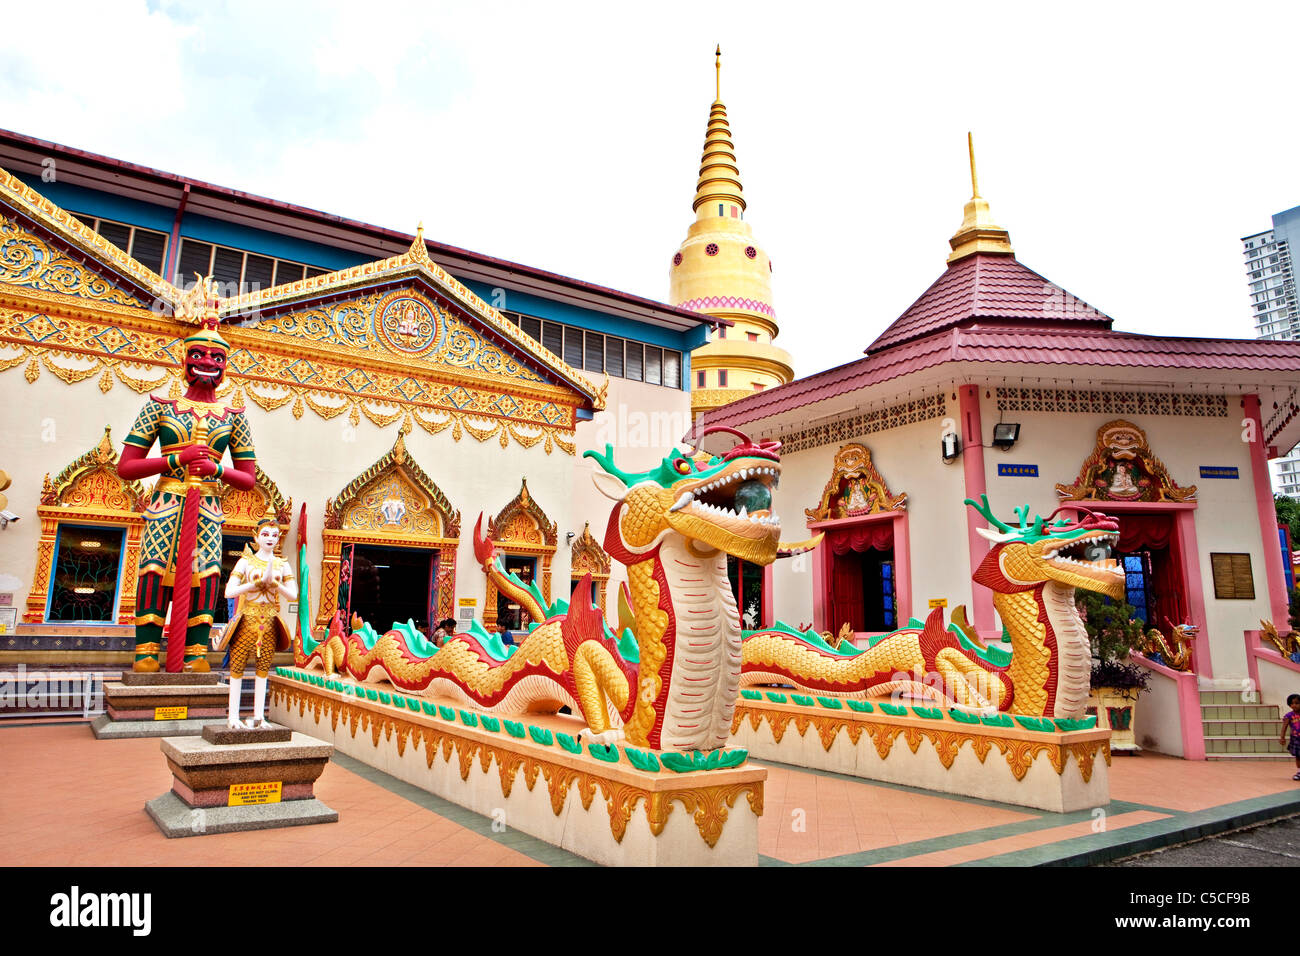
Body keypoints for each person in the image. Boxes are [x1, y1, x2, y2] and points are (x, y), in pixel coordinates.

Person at [217, 517, 295, 728]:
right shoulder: (245, 561)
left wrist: (275, 584)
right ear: (256, 537)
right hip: (247, 618)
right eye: (265, 535)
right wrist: (252, 584)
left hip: (269, 620)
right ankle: (233, 717)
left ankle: (259, 716)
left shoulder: (282, 564)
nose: (270, 539)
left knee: (263, 669)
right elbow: (229, 591)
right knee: (237, 668)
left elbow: (293, 595)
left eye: (274, 535)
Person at [1281, 693, 1300, 781]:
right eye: (1292, 703)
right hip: (1296, 739)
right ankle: (1299, 772)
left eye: (1297, 703)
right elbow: (1284, 727)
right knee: (1298, 756)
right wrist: (1282, 737)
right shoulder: (1289, 716)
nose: (1294, 705)